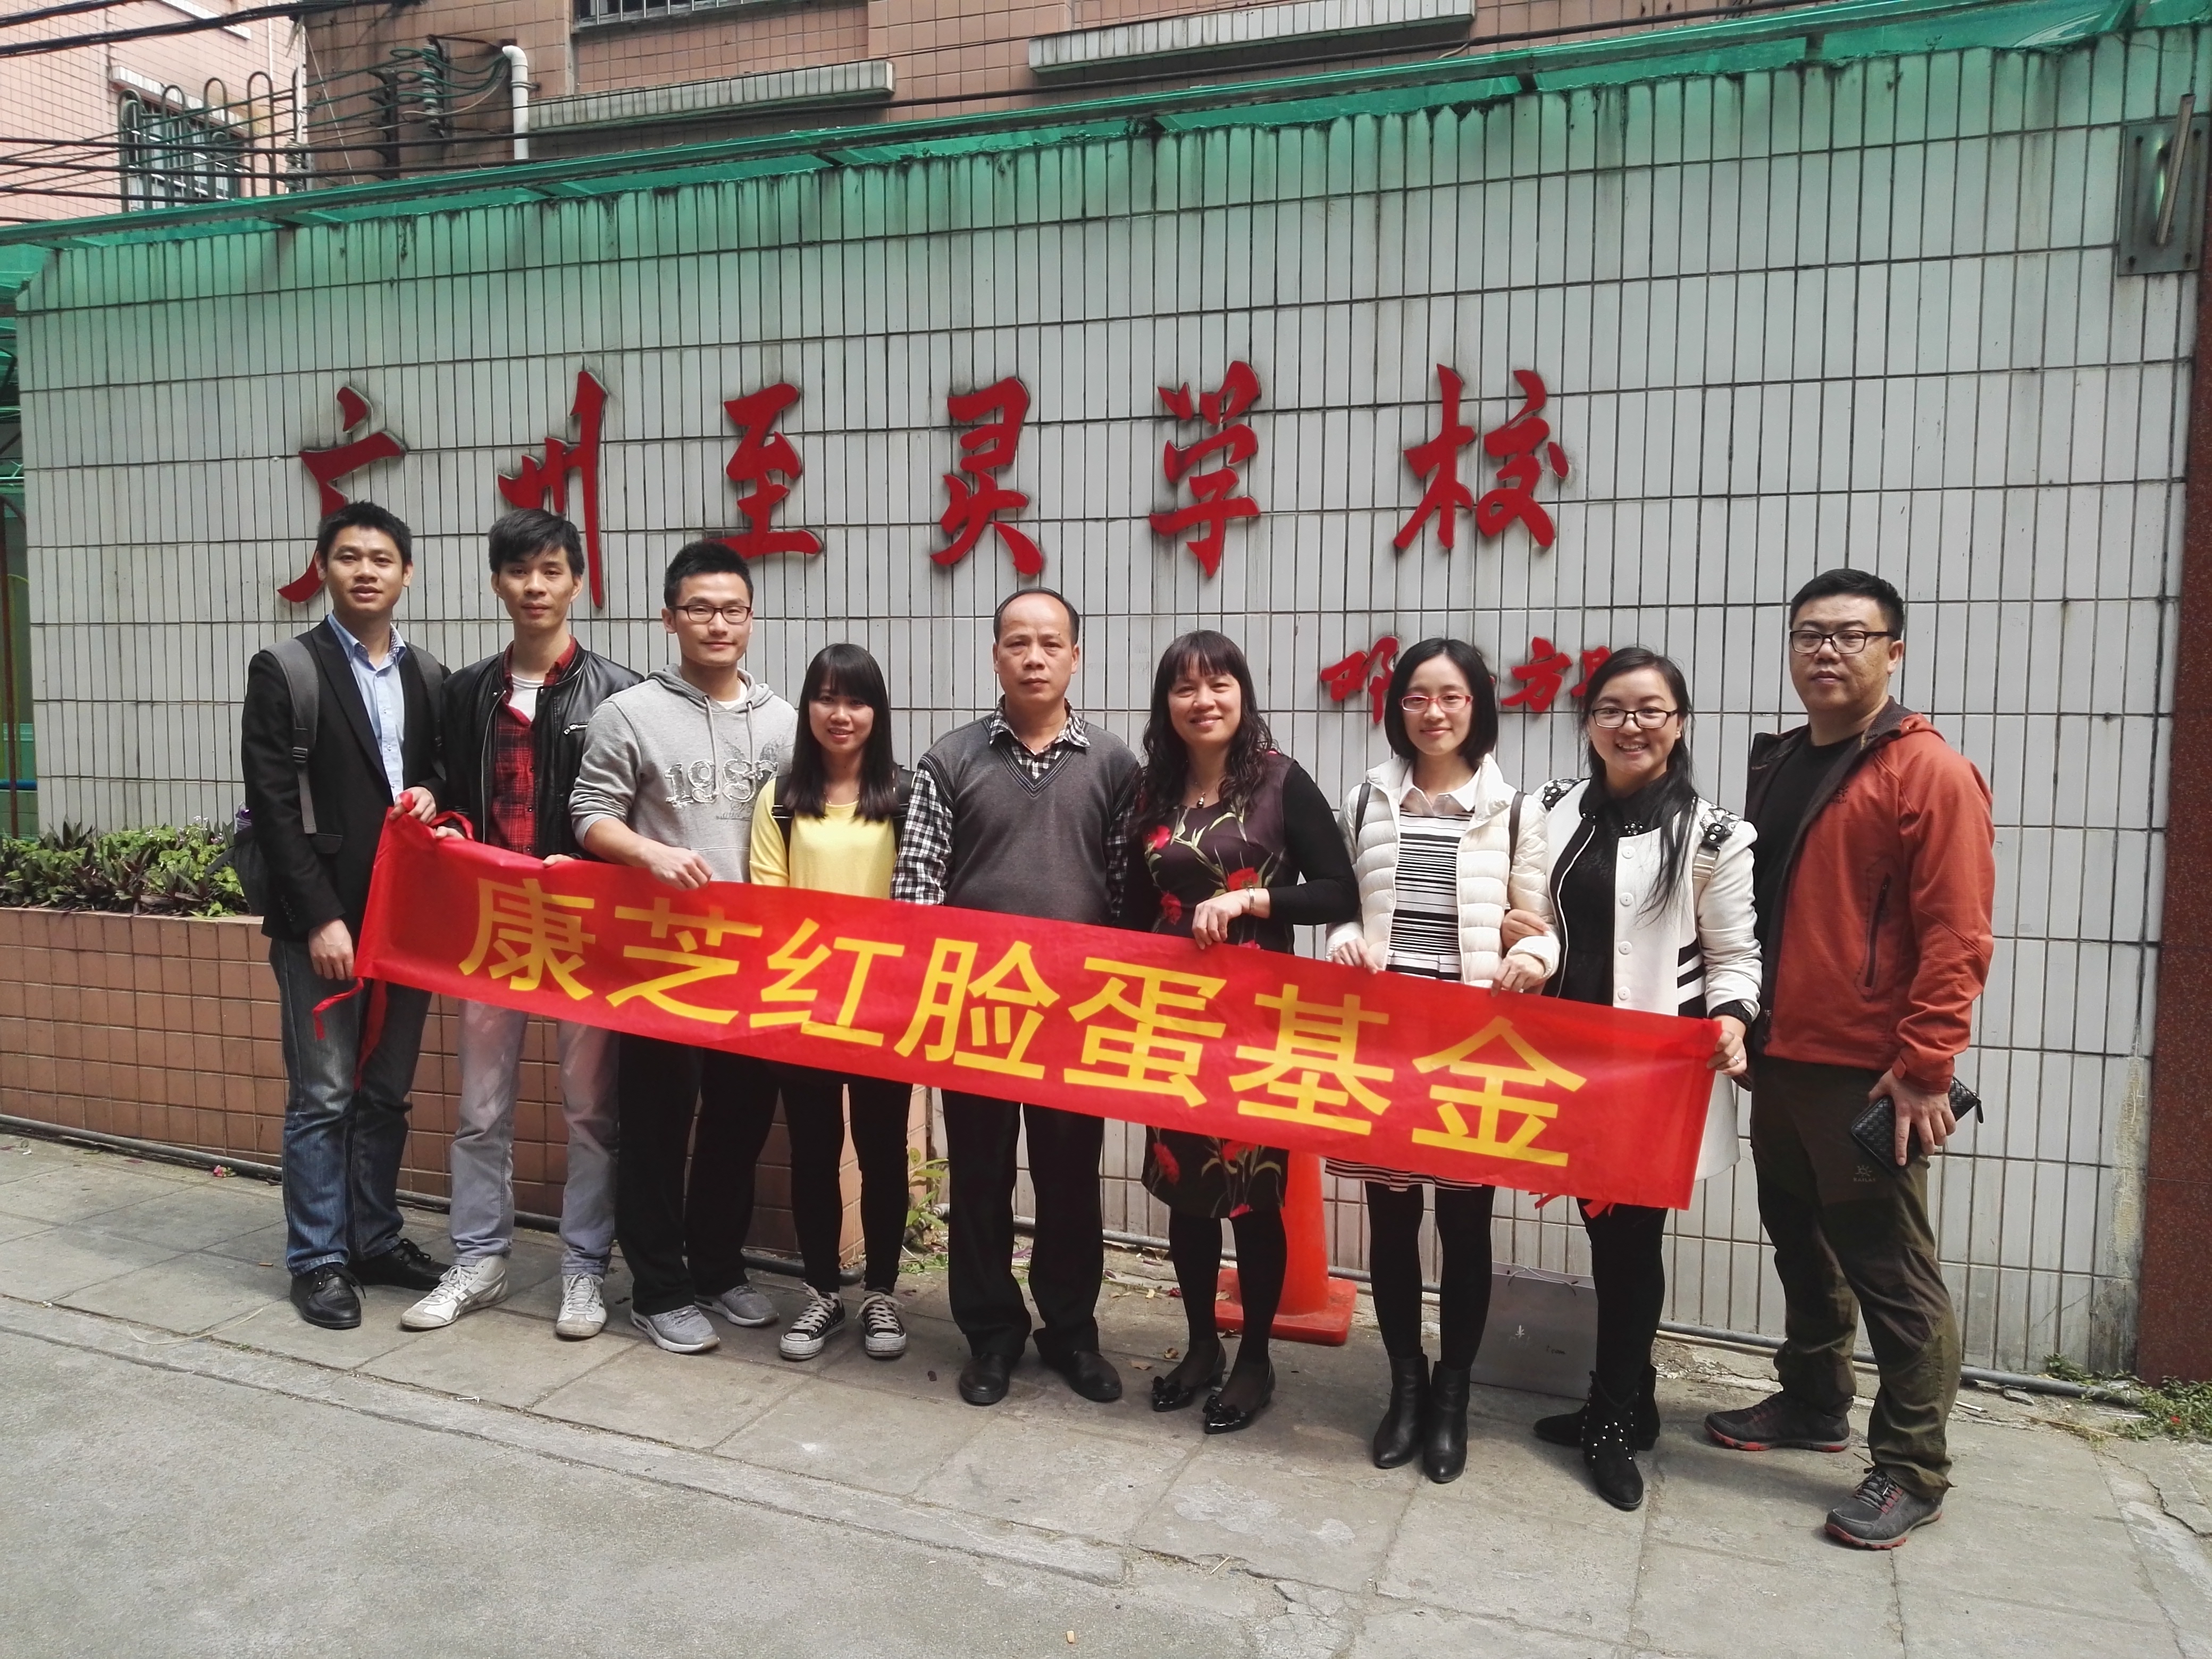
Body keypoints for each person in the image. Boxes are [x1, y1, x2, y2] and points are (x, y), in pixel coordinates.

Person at [1703, 568, 1993, 1549]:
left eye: (1851, 635)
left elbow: (1959, 935)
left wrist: (1925, 1065)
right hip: (1781, 1054)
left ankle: (1912, 1467)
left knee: (1890, 1270)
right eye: (1809, 635)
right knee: (1800, 1242)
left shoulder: (1928, 772)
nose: (1826, 651)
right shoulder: (1785, 760)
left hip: (1868, 1073)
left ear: (1893, 651)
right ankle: (1815, 1398)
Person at [891, 588, 1139, 1408]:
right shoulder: (951, 760)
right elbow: (917, 894)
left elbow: (1124, 897)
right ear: (995, 655)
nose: (1034, 658)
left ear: (1076, 657)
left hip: (1076, 1016)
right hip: (977, 1013)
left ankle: (1072, 1334)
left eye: (1050, 643)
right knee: (981, 1178)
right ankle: (991, 1334)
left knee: (1071, 1180)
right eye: (1018, 643)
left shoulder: (1114, 766)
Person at [1523, 647, 1759, 1511]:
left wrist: (1733, 1020)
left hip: (1655, 1076)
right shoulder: (1548, 810)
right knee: (1604, 1235)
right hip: (1566, 1065)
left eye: (1651, 710)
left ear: (1680, 723)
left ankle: (1614, 1421)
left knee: (1630, 1246)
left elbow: (1736, 955)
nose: (1631, 726)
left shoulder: (1715, 836)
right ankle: (1636, 1401)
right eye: (1612, 710)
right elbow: (1526, 914)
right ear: (1588, 722)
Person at [401, 509, 640, 1340]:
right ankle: (479, 1260)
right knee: (479, 1107)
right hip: (493, 926)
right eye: (518, 571)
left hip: (583, 929)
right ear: (497, 582)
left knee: (591, 1112)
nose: (535, 587)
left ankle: (584, 1269)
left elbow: (635, 810)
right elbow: (444, 780)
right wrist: (431, 799)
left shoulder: (621, 693)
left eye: (550, 571)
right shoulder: (465, 691)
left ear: (577, 581)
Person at [1324, 638, 1557, 1482]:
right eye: (1418, 696)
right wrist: (1344, 938)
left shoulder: (1515, 811)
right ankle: (1405, 1389)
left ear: (1477, 707)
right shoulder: (1367, 798)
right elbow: (1346, 904)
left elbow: (1540, 924)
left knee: (1464, 1224)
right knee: (1390, 1224)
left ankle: (1451, 1400)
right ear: (1399, 708)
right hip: (1383, 1041)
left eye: (1452, 696)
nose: (1434, 712)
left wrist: (1534, 958)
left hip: (1471, 1045)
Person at [1119, 631, 1358, 1434]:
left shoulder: (1281, 782)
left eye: (1219, 684)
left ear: (1243, 695)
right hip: (1173, 1019)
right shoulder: (1151, 794)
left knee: (1253, 1196)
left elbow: (1339, 891)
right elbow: (1130, 909)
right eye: (1185, 688)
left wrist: (1254, 901)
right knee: (1186, 1193)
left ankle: (1254, 1357)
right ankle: (1199, 1346)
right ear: (1167, 706)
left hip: (1259, 1023)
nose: (1203, 701)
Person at [569, 542, 798, 1355]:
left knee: (740, 1122)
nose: (717, 624)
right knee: (659, 1126)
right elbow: (589, 814)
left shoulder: (784, 723)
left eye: (732, 609)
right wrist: (649, 854)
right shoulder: (628, 714)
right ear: (669, 618)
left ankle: (718, 1268)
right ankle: (658, 1289)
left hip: (755, 966)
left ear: (751, 619)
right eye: (699, 609)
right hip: (661, 960)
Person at [240, 501, 449, 1330]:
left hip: (407, 925)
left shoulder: (429, 675)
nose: (367, 571)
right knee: (323, 1096)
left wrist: (433, 791)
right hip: (323, 926)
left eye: (382, 559)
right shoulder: (286, 669)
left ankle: (374, 1239)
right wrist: (321, 916)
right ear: (323, 568)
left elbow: (443, 773)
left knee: (385, 1093)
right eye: (350, 557)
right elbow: (273, 807)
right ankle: (319, 1259)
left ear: (407, 574)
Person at [748, 643, 916, 1364]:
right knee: (813, 1152)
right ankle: (821, 1291)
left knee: (883, 1153)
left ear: (877, 712)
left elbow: (921, 905)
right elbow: (768, 906)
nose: (840, 714)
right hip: (804, 1009)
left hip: (886, 1013)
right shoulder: (782, 797)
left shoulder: (906, 795)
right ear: (807, 708)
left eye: (855, 700)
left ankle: (882, 1293)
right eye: (826, 698)